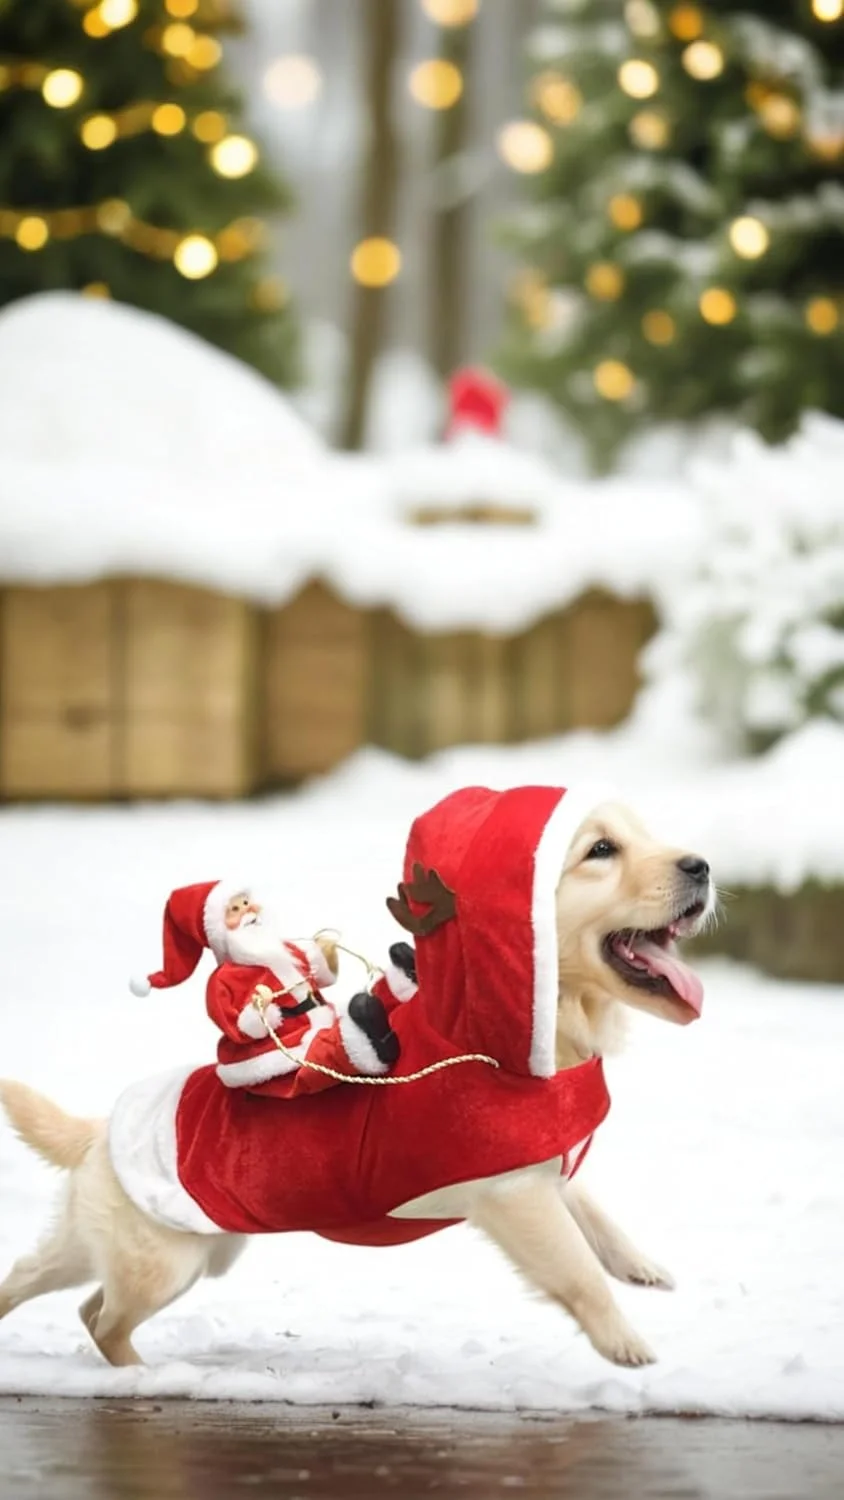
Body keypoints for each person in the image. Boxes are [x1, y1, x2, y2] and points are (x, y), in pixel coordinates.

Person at [130, 880, 417, 1098]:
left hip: (316, 1020)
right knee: (319, 1057)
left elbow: (321, 977)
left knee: (355, 1010)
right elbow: (238, 1026)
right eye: (235, 910)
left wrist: (324, 954)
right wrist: (260, 1011)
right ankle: (364, 1045)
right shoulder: (225, 980)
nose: (248, 911)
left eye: (246, 902)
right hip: (279, 1048)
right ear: (219, 930)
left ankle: (399, 985)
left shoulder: (285, 950)